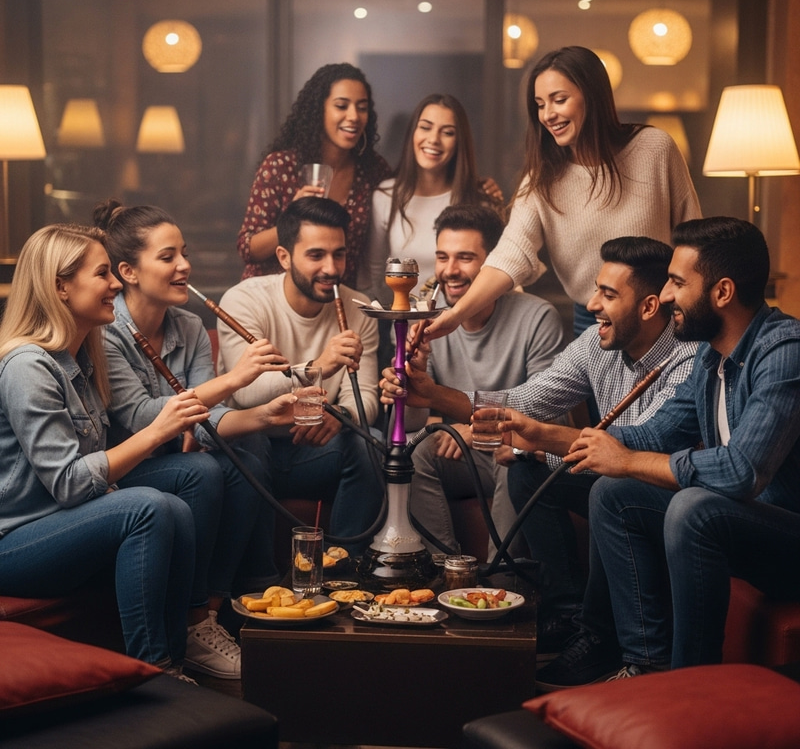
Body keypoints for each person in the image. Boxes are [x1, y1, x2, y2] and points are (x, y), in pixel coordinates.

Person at [382, 236, 696, 656]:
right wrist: (431, 393)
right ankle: (567, 614)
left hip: (660, 493)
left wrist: (538, 439)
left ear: (649, 307)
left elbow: (640, 447)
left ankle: (604, 640)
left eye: (607, 294)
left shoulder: (688, 358)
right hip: (608, 477)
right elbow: (522, 402)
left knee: (603, 486)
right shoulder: (596, 344)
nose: (591, 305)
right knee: (528, 472)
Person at [540, 217, 800, 685]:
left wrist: (628, 460)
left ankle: (688, 684)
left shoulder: (784, 352)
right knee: (613, 494)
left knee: (693, 507)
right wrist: (539, 436)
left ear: (721, 292)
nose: (668, 295)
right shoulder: (711, 355)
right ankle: (646, 667)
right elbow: (649, 437)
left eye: (678, 282)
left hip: (789, 540)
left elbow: (742, 472)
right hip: (745, 526)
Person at [97, 199, 305, 679]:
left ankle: (208, 614)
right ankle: (192, 621)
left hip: (175, 456)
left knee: (248, 451)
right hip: (126, 466)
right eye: (168, 257)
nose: (184, 265)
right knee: (203, 469)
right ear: (128, 271)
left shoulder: (189, 325)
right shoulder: (108, 333)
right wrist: (235, 380)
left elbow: (207, 417)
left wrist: (262, 415)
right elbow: (141, 418)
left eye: (184, 253)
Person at [0, 223, 208, 680]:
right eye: (102, 274)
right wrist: (158, 431)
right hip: (16, 542)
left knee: (182, 495)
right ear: (60, 286)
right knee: (149, 508)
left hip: (60, 518)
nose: (116, 284)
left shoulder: (81, 356)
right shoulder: (27, 366)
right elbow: (70, 483)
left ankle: (181, 651)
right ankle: (155, 670)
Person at [426, 46, 702, 343]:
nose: (547, 115)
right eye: (540, 104)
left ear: (592, 97)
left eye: (559, 100)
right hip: (593, 325)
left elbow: (693, 240)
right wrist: (455, 316)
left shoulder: (654, 148)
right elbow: (509, 255)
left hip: (661, 318)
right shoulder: (542, 178)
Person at [381, 203, 562, 558]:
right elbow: (415, 421)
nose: (450, 271)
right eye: (442, 257)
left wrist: (473, 426)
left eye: (465, 257)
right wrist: (409, 383)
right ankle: (444, 571)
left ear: (495, 263)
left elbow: (547, 415)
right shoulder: (421, 319)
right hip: (463, 455)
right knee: (413, 452)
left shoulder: (538, 317)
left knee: (518, 460)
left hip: (512, 449)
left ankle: (504, 584)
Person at [220, 196, 383, 549]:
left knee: (372, 443)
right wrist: (318, 367)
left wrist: (342, 415)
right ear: (284, 257)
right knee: (252, 441)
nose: (331, 268)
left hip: (311, 451)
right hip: (251, 447)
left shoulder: (360, 311)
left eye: (338, 254)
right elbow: (246, 392)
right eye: (316, 255)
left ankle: (346, 574)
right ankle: (256, 582)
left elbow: (367, 397)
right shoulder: (244, 301)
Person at [238, 62, 391, 286]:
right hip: (272, 300)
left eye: (362, 107)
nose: (354, 116)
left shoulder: (373, 171)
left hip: (334, 302)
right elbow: (248, 249)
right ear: (319, 110)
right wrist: (293, 217)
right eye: (341, 106)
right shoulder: (281, 167)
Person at [361, 93, 504, 303]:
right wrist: (399, 318)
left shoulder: (479, 200)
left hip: (461, 326)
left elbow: (497, 272)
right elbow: (375, 274)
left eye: (447, 132)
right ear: (413, 133)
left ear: (459, 142)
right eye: (425, 127)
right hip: (402, 327)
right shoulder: (386, 196)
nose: (434, 139)